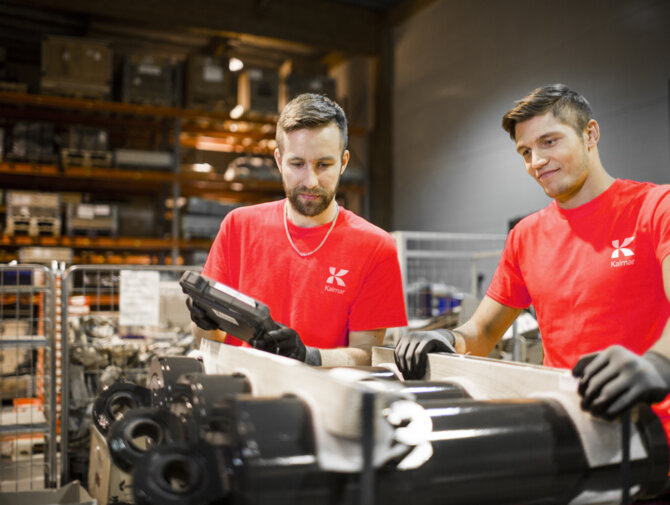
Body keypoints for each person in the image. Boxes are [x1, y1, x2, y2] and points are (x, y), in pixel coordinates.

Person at [395, 84, 670, 422]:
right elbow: (483, 332)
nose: (536, 162)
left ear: (590, 134)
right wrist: (447, 338)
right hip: (568, 428)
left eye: (549, 142)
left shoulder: (655, 208)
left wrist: (657, 364)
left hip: (653, 433)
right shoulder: (525, 236)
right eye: (525, 152)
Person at [188, 93, 407, 366]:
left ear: (343, 163)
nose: (311, 181)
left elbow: (366, 354)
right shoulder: (238, 227)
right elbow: (207, 341)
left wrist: (307, 356)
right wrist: (204, 322)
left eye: (324, 164)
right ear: (279, 160)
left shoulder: (375, 247)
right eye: (297, 164)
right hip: (239, 388)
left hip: (320, 392)